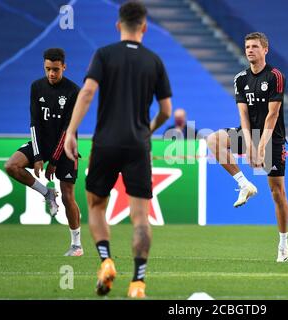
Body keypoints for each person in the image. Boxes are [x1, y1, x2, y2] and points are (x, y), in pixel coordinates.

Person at [64, 1, 172, 299]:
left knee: (97, 205)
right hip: (138, 144)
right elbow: (166, 110)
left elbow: (87, 92)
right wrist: (146, 131)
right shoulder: (154, 61)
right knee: (140, 217)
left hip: (106, 142)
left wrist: (71, 131)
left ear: (118, 25)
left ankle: (106, 260)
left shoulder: (104, 54)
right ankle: (138, 284)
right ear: (145, 27)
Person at [207, 32, 288, 262]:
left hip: (272, 138)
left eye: (254, 46)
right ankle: (244, 184)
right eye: (247, 46)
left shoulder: (275, 76)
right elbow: (243, 114)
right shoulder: (240, 78)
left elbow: (272, 116)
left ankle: (283, 244)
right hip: (249, 133)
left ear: (265, 49)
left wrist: (261, 147)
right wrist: (250, 143)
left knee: (277, 192)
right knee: (213, 140)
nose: (250, 50)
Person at [4, 48, 83, 257]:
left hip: (66, 147)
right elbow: (34, 123)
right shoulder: (36, 87)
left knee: (67, 197)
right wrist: (38, 157)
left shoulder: (74, 91)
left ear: (64, 67)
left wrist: (54, 161)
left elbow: (68, 129)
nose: (51, 74)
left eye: (56, 69)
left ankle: (76, 245)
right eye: (48, 69)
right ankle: (46, 192)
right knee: (11, 165)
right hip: (41, 143)